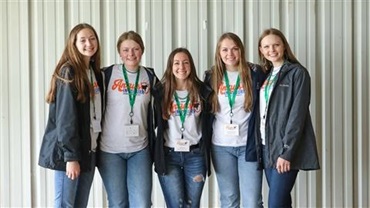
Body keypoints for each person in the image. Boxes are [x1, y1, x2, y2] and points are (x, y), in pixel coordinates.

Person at [38, 23, 104, 208]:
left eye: (92, 38)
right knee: (65, 205)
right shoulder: (69, 71)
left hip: (88, 150)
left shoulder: (94, 73)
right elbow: (65, 119)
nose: (89, 43)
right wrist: (71, 157)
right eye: (82, 40)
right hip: (70, 154)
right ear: (73, 44)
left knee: (79, 204)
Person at [257, 28, 320, 207]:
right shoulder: (266, 76)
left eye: (276, 45)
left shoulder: (297, 73)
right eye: (266, 46)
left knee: (275, 204)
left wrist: (287, 151)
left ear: (284, 46)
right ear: (261, 50)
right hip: (266, 146)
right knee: (282, 202)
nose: (272, 50)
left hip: (284, 149)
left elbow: (297, 116)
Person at [204, 32, 266, 208]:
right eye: (225, 49)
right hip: (221, 147)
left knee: (253, 201)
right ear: (219, 52)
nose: (229, 54)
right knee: (229, 199)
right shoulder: (211, 76)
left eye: (234, 49)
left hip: (249, 145)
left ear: (241, 50)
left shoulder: (255, 73)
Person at [97, 30, 158, 207]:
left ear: (142, 50)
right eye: (125, 50)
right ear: (119, 52)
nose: (130, 54)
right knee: (118, 203)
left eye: (135, 49)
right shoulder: (107, 75)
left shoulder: (150, 76)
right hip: (110, 151)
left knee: (142, 202)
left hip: (140, 149)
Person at [153, 48, 214, 208]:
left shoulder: (203, 91)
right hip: (169, 156)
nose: (181, 67)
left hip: (195, 156)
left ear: (191, 66)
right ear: (170, 66)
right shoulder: (160, 92)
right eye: (177, 63)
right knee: (176, 205)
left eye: (186, 62)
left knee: (192, 205)